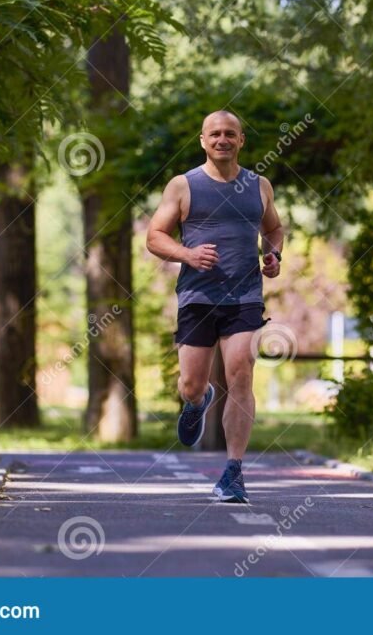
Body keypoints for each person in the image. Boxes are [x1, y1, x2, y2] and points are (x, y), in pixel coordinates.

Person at [146, 110, 283, 503]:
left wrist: (272, 256)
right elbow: (155, 236)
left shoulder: (260, 186)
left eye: (230, 134)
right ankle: (197, 401)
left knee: (241, 371)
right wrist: (187, 255)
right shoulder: (183, 186)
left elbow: (273, 229)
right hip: (197, 296)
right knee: (191, 383)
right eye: (215, 134)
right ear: (203, 141)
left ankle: (234, 471)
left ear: (241, 141)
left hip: (244, 297)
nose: (222, 139)